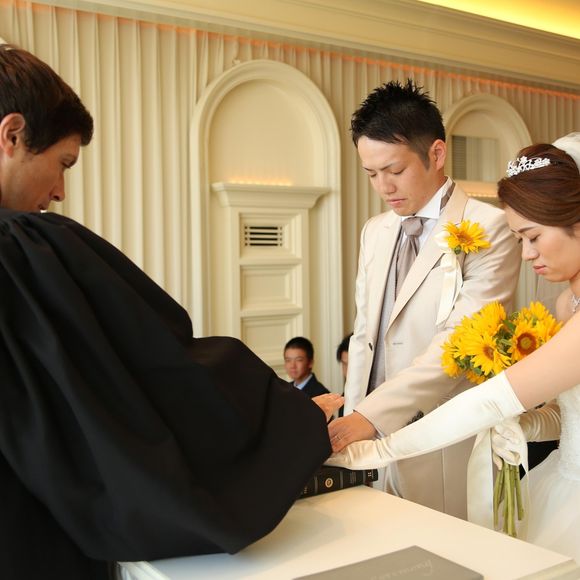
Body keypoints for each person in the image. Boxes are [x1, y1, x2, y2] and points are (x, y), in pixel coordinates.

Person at [0, 44, 343, 580]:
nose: (61, 192)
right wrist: (290, 420)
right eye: (63, 164)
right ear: (12, 135)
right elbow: (154, 368)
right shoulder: (19, 250)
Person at [326, 133, 580, 563]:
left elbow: (491, 399)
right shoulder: (565, 305)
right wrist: (524, 426)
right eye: (519, 238)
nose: (526, 254)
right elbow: (565, 415)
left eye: (533, 236)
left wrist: (378, 449)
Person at [328, 79, 521, 518]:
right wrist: (352, 418)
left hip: (439, 440)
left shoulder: (489, 228)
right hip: (365, 442)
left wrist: (370, 416)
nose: (383, 187)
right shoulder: (375, 231)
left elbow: (458, 345)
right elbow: (364, 336)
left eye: (394, 171)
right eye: (371, 174)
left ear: (436, 154)